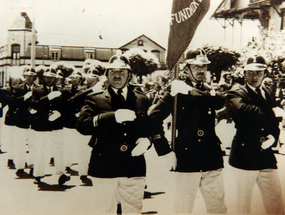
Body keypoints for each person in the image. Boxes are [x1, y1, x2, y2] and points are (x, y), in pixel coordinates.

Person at [76, 55, 170, 214]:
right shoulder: (94, 98)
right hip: (104, 163)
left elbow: (149, 127)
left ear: (129, 75)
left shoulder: (141, 98)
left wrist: (147, 141)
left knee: (133, 210)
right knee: (104, 210)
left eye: (122, 71)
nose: (117, 75)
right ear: (106, 75)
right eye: (112, 71)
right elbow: (82, 125)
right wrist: (112, 117)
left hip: (133, 164)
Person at [148, 48, 227, 214]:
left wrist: (190, 91)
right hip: (186, 156)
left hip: (211, 156)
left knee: (218, 208)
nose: (201, 70)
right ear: (187, 69)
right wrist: (164, 150)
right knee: (183, 208)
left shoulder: (208, 89)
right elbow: (153, 117)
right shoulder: (175, 90)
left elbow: (220, 101)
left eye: (204, 67)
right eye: (196, 67)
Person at [227, 55, 284, 214]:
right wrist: (271, 111)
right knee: (243, 204)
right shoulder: (236, 92)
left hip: (265, 155)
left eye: (259, 72)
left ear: (265, 74)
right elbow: (243, 110)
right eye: (250, 72)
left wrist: (273, 137)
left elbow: (274, 122)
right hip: (244, 154)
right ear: (244, 74)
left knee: (275, 200)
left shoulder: (267, 91)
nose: (254, 76)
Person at [29, 67, 70, 185]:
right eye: (47, 77)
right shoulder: (37, 90)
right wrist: (48, 98)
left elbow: (67, 107)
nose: (49, 80)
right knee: (41, 150)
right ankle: (38, 174)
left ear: (55, 79)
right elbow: (34, 104)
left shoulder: (62, 90)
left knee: (59, 150)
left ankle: (61, 174)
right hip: (41, 126)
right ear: (43, 78)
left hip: (56, 126)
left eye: (52, 77)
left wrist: (60, 113)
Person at [12, 66, 37, 177]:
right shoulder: (18, 88)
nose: (29, 78)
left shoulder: (39, 88)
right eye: (27, 76)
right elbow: (12, 103)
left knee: (33, 145)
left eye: (32, 76)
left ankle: (32, 166)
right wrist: (23, 97)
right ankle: (20, 167)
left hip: (34, 121)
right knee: (20, 145)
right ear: (24, 76)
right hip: (21, 121)